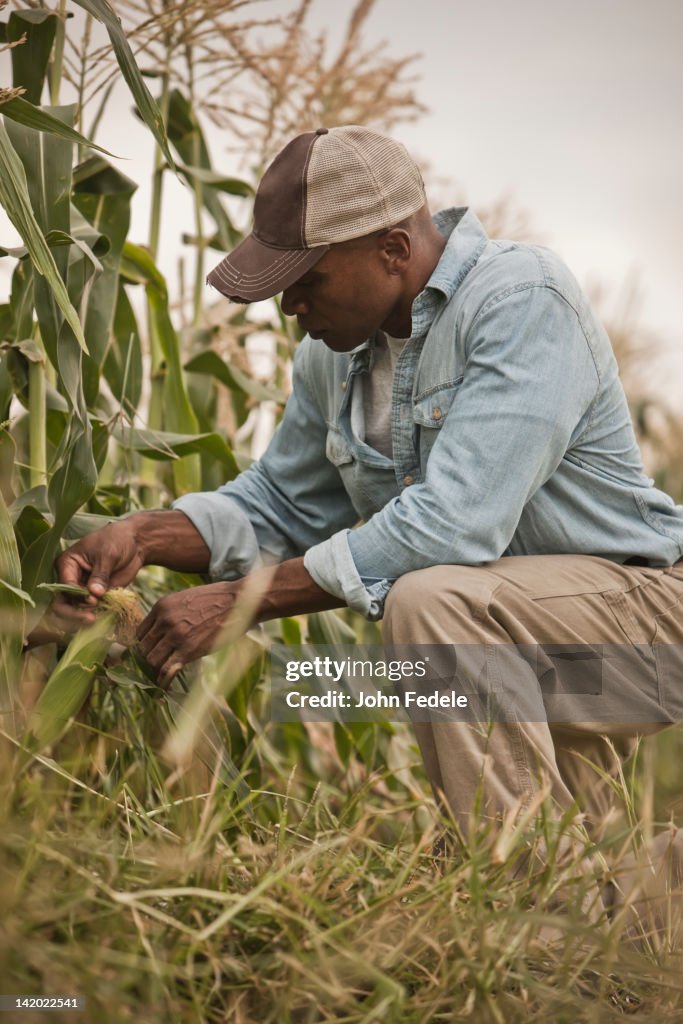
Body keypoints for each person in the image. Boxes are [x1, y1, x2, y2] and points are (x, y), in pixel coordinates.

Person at [55, 125, 683, 877]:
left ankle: (536, 913)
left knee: (428, 606)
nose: (289, 305)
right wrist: (146, 533)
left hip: (646, 644)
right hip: (523, 661)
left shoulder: (522, 300)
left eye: (306, 279)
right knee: (595, 896)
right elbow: (278, 506)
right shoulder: (330, 357)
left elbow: (455, 521)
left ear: (392, 249)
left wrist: (242, 601)